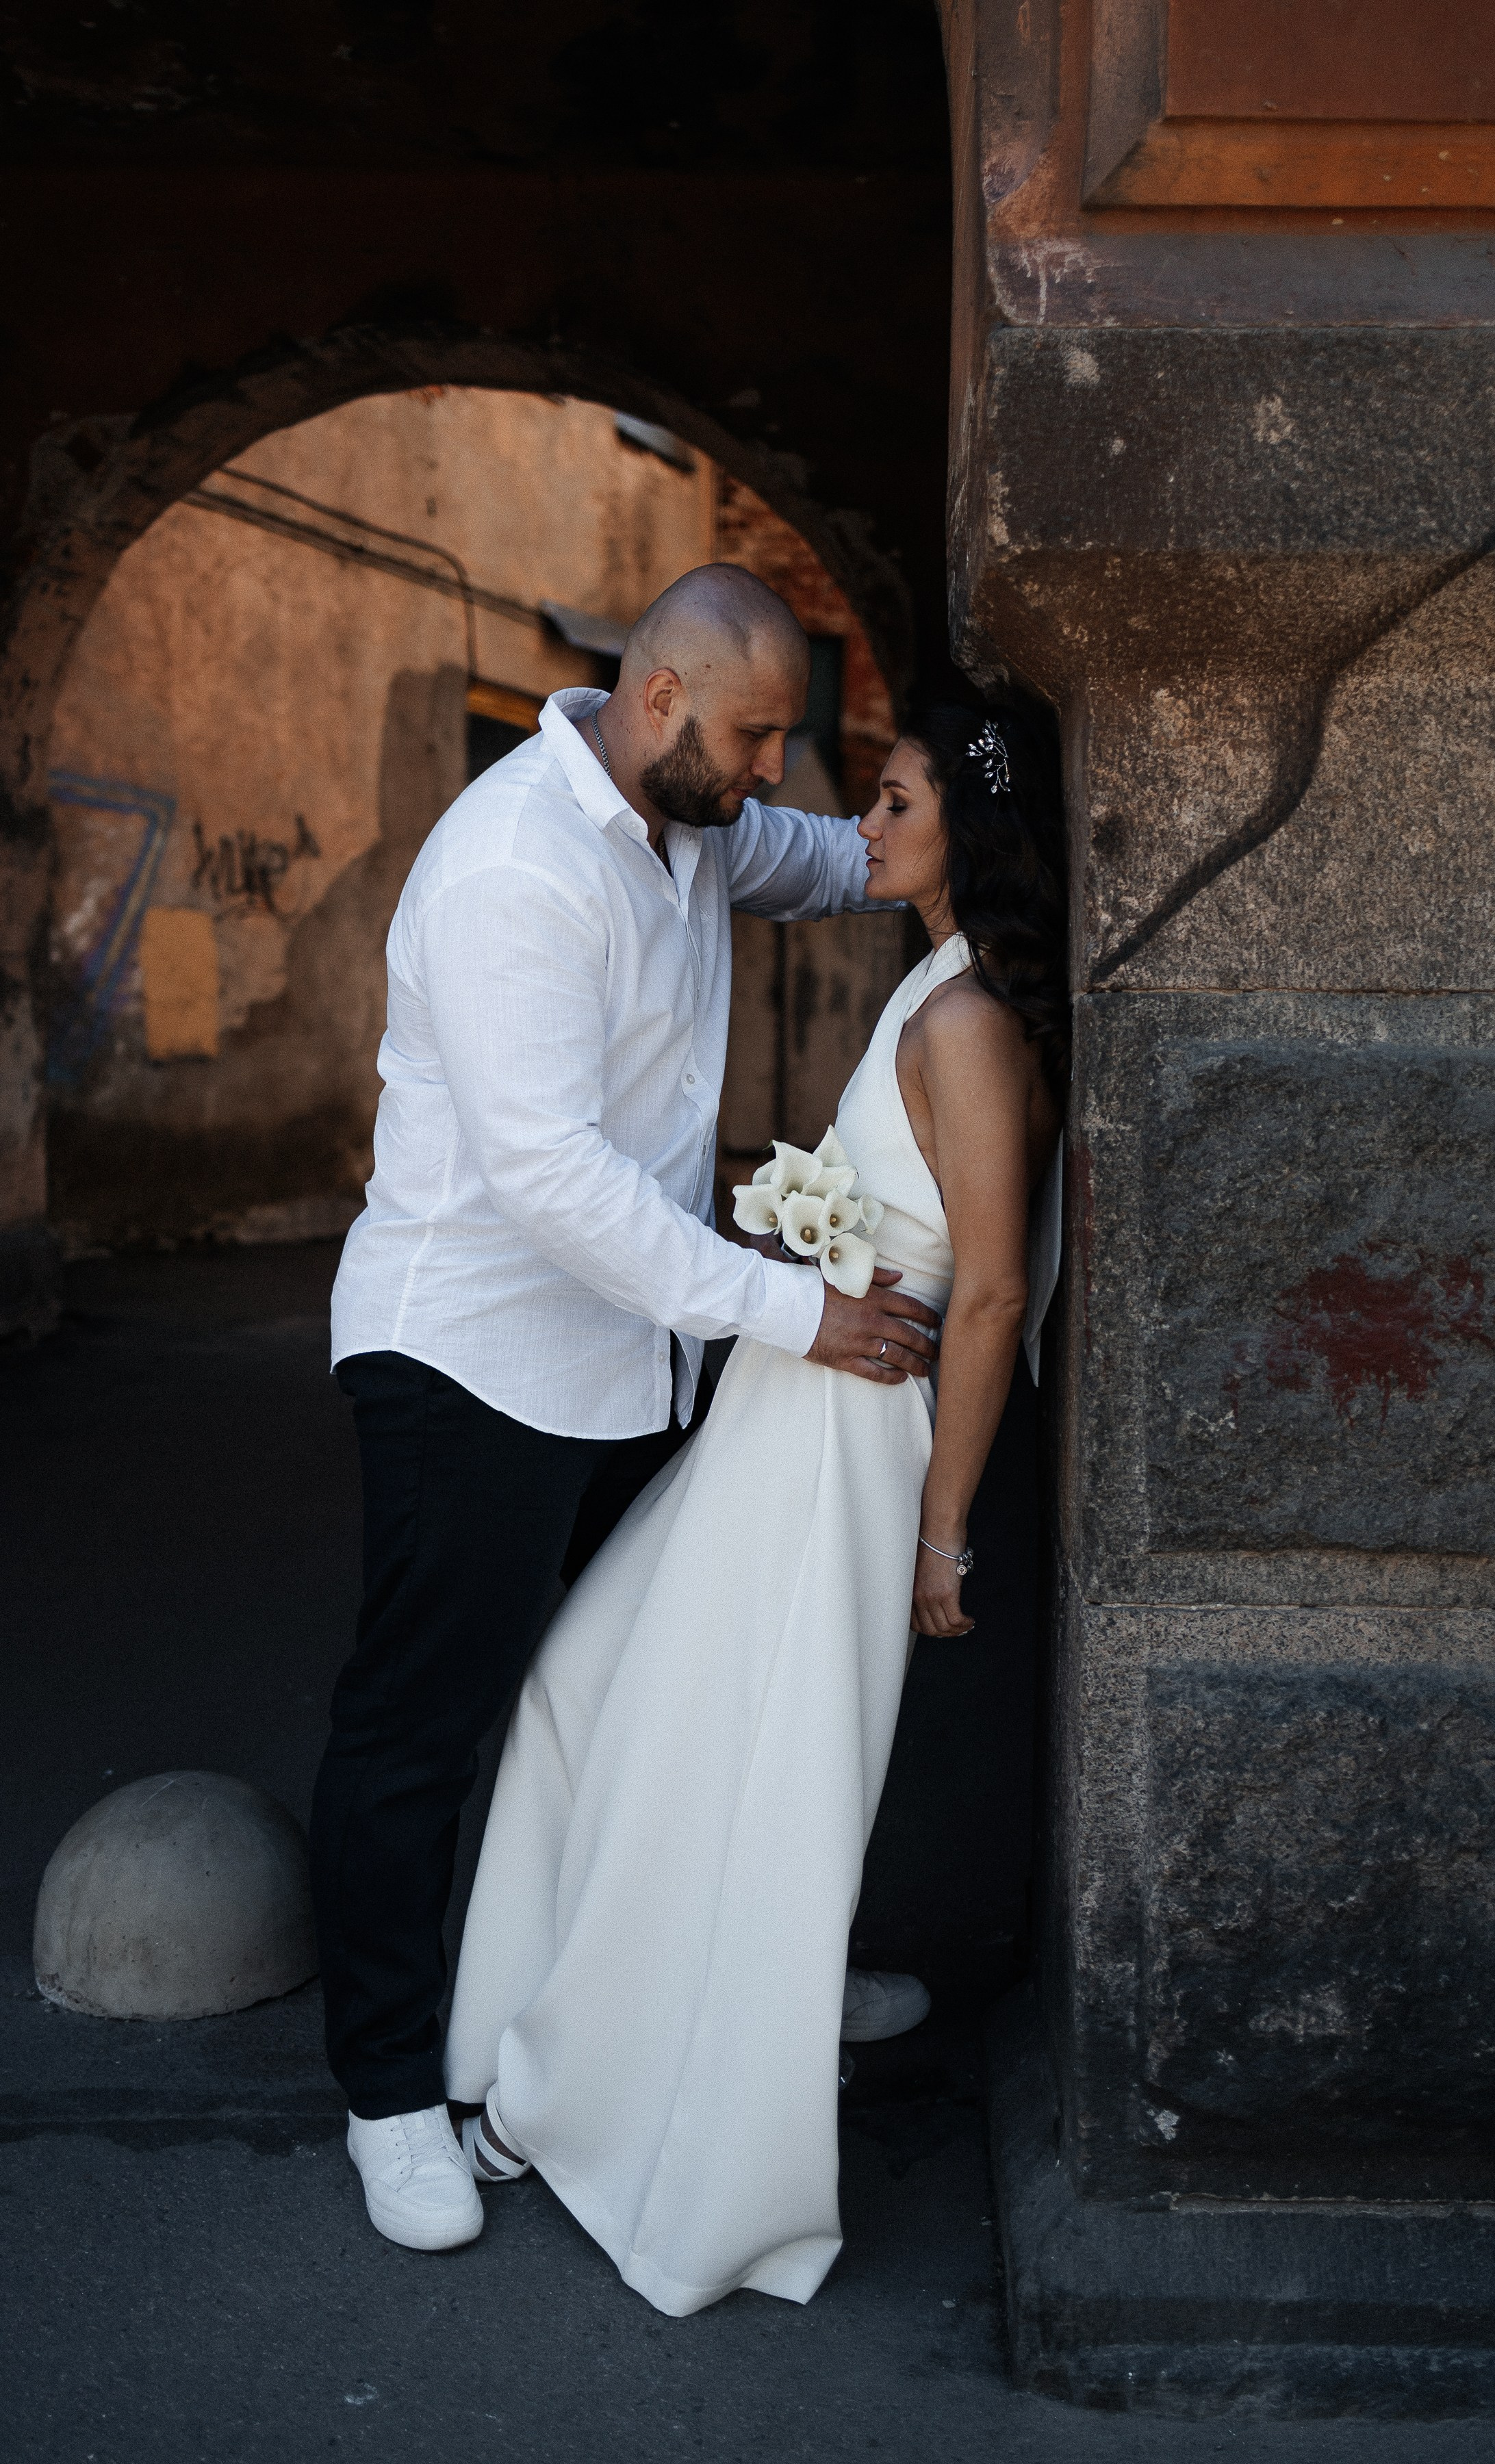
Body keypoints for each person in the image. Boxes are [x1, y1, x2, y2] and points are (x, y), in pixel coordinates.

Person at [314, 565, 946, 2255]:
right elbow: (547, 1179)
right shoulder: (517, 863)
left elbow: (831, 863)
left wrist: (959, 865)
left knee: (622, 1690)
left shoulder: (698, 817)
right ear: (663, 697)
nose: (769, 776)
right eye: (753, 737)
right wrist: (792, 1312)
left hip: (620, 1358)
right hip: (470, 1354)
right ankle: (390, 2097)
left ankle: (686, 2004)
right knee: (420, 1731)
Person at [444, 701, 1066, 2315]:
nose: (865, 824)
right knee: (595, 1688)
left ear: (969, 839)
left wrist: (944, 1528)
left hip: (849, 1452)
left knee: (731, 1766)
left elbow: (989, 1296)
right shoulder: (930, 988)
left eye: (898, 800)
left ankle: (600, 2103)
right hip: (785, 1409)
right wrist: (805, 1246)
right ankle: (583, 2036)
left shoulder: (972, 1027)